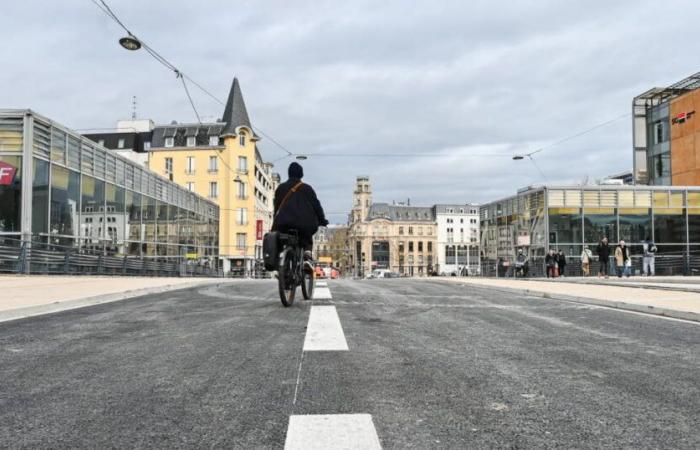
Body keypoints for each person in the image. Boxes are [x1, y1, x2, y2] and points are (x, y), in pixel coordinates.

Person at [272, 162, 328, 259]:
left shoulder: (280, 188)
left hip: (283, 224)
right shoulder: (307, 188)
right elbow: (316, 206)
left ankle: (280, 259)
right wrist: (322, 220)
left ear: (288, 173)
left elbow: (276, 208)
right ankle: (307, 252)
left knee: (280, 238)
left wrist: (276, 221)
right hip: (303, 225)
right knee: (307, 234)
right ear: (301, 174)